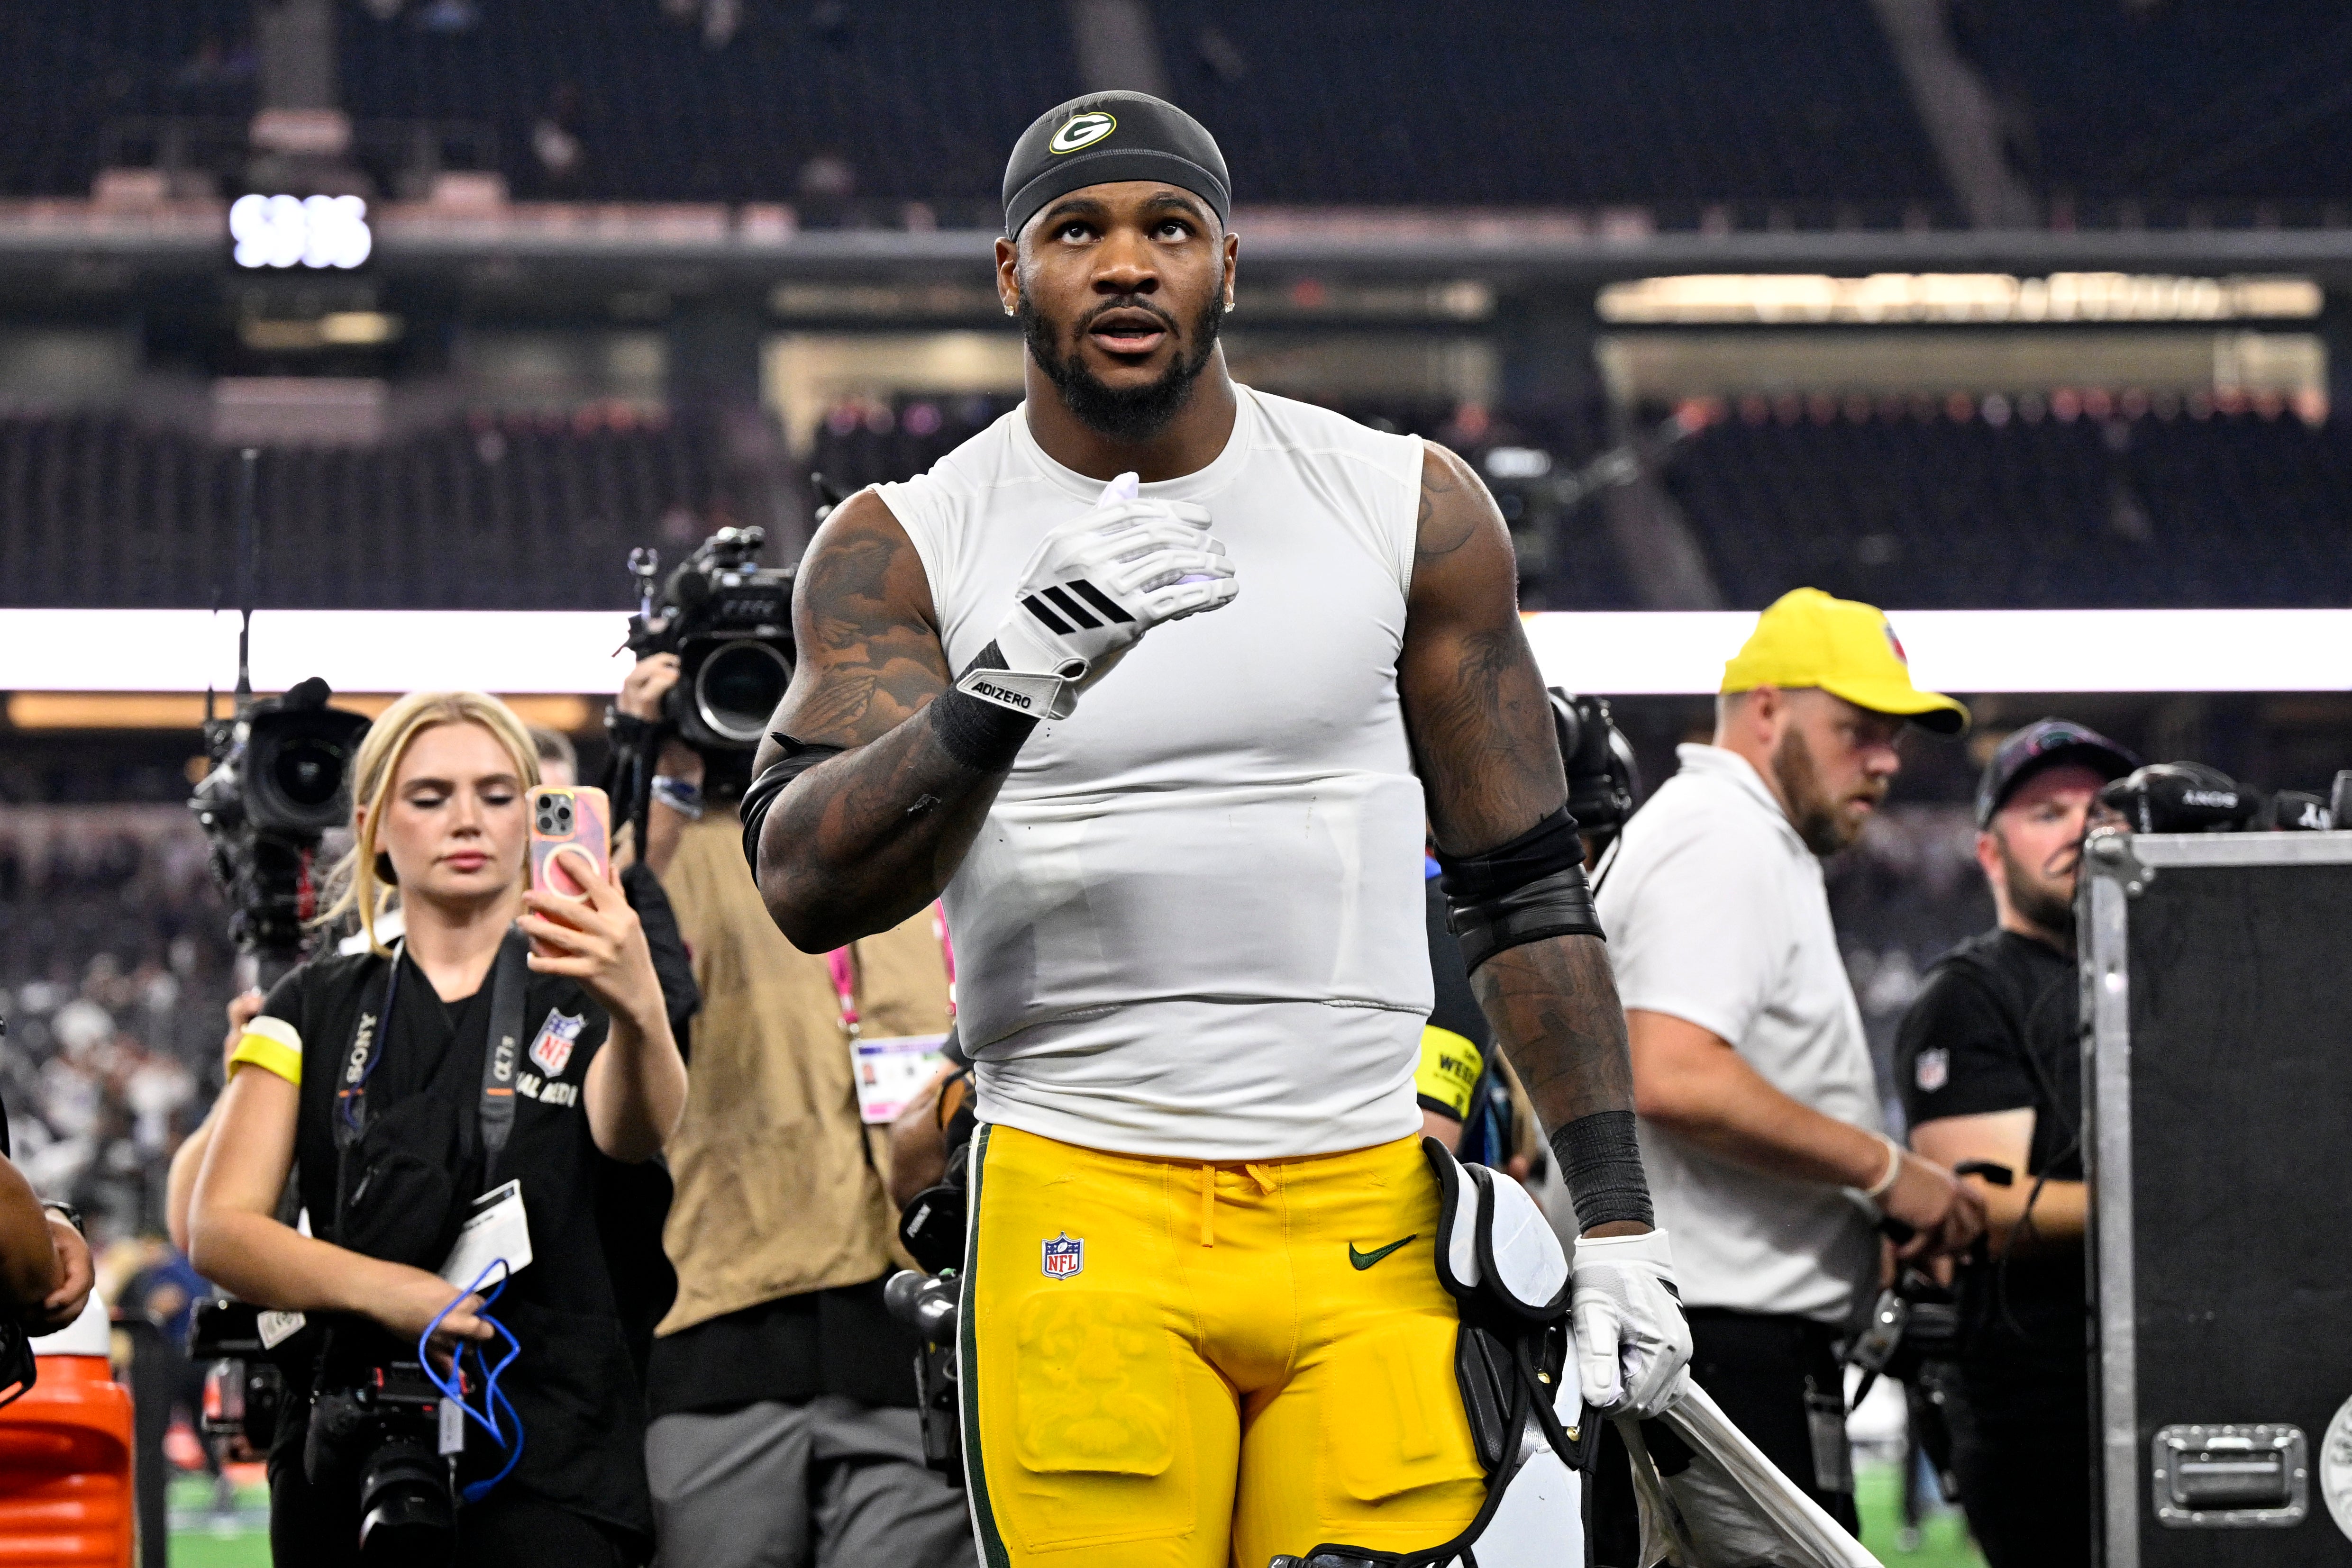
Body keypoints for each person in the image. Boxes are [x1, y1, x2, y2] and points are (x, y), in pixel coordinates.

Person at [741, 91, 1690, 1568]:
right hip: (1078, 1185)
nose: (1127, 263)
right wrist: (1009, 680)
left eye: (1168, 228)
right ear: (1010, 272)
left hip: (1367, 1197)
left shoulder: (1407, 504)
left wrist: (1619, 1219)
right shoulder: (905, 536)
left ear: (1226, 264)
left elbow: (1520, 885)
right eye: (1077, 231)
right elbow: (804, 879)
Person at [187, 690, 688, 1566]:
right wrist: (393, 1292)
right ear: (372, 827)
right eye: (429, 796)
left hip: (549, 1451)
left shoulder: (585, 985)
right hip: (349, 1453)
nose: (467, 820)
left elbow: (633, 1133)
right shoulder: (309, 1002)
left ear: (533, 819)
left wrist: (639, 1005)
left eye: (498, 796)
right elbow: (218, 1228)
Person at [1588, 587, 1989, 1558]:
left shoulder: (1726, 835)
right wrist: (1887, 1173)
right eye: (1858, 730)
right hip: (1715, 1350)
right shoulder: (1724, 837)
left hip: (1712, 1342)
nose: (1887, 760)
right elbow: (1674, 1072)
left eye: (1893, 736)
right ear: (1766, 709)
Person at [611, 653, 973, 1568]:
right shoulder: (679, 845)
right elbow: (597, 945)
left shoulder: (943, 848)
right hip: (718, 1327)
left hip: (913, 1328)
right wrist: (650, 759)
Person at [1894, 718, 2137, 1568]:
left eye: (2099, 809)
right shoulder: (1970, 995)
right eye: (2046, 813)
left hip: (2173, 1366)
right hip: (2043, 1411)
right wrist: (2171, 1204)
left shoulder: (2166, 977)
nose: (2081, 829)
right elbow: (1981, 1208)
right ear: (1989, 853)